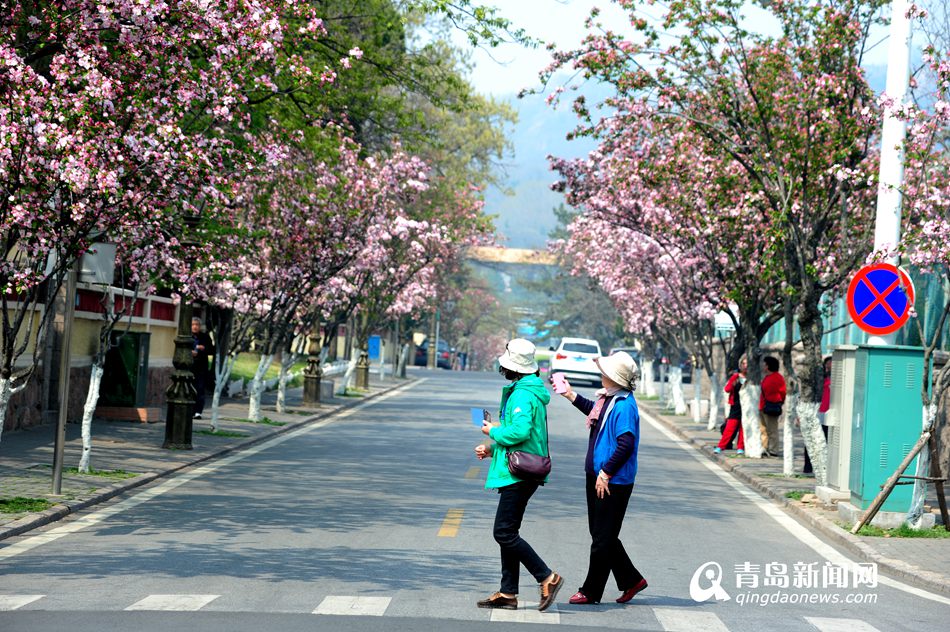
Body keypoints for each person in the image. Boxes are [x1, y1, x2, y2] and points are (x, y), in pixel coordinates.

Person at [474, 338, 564, 612]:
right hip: (520, 468)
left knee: (503, 532)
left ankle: (547, 576)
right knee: (508, 531)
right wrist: (492, 449)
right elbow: (522, 435)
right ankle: (508, 592)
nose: (503, 370)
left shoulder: (523, 395)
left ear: (515, 368)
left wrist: (492, 432)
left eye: (506, 366)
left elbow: (519, 433)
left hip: (520, 473)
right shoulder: (526, 390)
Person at [555, 351, 648, 606]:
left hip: (613, 481)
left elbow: (626, 443)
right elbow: (593, 412)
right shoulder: (609, 398)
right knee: (601, 533)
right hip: (598, 475)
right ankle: (631, 579)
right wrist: (570, 394)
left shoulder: (624, 405)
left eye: (605, 372)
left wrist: (605, 473)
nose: (601, 374)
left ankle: (591, 591)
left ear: (615, 377)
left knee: (602, 538)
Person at [803, 356, 832, 475]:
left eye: (832, 364)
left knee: (826, 441)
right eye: (828, 364)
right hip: (816, 412)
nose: (830, 366)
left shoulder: (839, 380)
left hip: (830, 415)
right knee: (810, 440)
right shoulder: (820, 380)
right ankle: (808, 467)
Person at [715, 356, 746, 455]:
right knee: (730, 427)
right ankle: (721, 446)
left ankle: (740, 448)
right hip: (736, 406)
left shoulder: (752, 378)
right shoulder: (736, 376)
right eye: (743, 364)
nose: (745, 366)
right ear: (740, 365)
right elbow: (727, 389)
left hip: (747, 407)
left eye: (747, 364)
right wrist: (733, 382)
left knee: (743, 428)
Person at [759, 355, 787, 457]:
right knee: (763, 429)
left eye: (764, 364)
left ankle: (773, 450)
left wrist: (779, 402)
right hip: (762, 407)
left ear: (768, 365)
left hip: (771, 407)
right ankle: (764, 448)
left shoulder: (778, 377)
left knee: (772, 430)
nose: (763, 365)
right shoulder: (766, 377)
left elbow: (783, 392)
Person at [191, 317, 214, 420]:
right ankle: (189, 410)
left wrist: (203, 348)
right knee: (189, 389)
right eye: (193, 324)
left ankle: (198, 412)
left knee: (199, 389)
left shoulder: (204, 337)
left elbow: (212, 350)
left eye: (197, 325)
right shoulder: (187, 336)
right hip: (189, 366)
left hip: (201, 368)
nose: (195, 327)